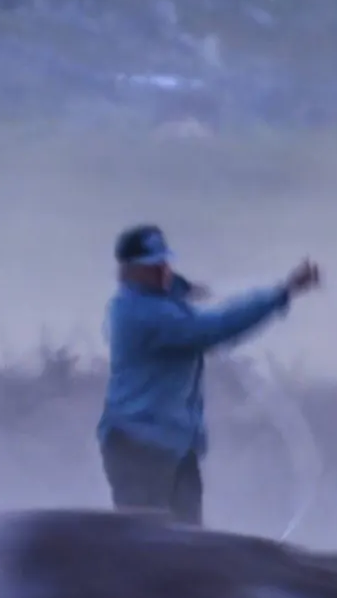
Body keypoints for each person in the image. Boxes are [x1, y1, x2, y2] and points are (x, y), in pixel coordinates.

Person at [98, 224, 319, 525]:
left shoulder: (156, 300)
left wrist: (180, 287)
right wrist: (284, 292)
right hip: (141, 447)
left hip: (175, 445)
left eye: (165, 262)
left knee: (189, 547)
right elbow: (215, 328)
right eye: (153, 265)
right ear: (129, 271)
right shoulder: (141, 314)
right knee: (148, 550)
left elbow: (170, 292)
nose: (163, 269)